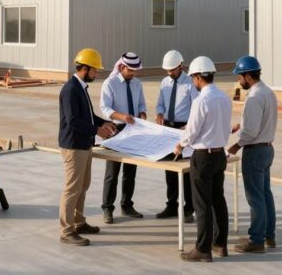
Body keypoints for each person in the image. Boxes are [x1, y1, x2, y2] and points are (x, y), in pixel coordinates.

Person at [174, 56, 232, 262]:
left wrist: (180, 144)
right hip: (219, 154)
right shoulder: (224, 98)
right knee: (218, 200)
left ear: (198, 77)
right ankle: (220, 244)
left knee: (202, 204)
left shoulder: (201, 101)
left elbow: (191, 132)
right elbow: (224, 127)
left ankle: (203, 249)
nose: (192, 82)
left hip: (203, 157)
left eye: (193, 78)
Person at [59, 48, 117, 246]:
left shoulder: (81, 88)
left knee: (83, 186)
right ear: (84, 68)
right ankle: (67, 231)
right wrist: (97, 131)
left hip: (84, 144)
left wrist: (104, 123)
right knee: (72, 188)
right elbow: (73, 121)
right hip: (74, 146)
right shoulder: (70, 89)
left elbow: (89, 116)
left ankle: (79, 222)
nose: (96, 73)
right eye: (94, 70)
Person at [227, 55, 278, 254]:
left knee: (255, 197)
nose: (239, 80)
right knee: (265, 194)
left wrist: (236, 146)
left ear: (248, 76)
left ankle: (256, 240)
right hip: (267, 149)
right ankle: (269, 236)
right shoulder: (268, 92)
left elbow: (251, 132)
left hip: (254, 152)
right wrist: (242, 123)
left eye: (240, 76)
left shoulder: (254, 97)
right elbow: (261, 120)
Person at [99, 51, 147, 224]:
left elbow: (141, 103)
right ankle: (107, 208)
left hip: (133, 129)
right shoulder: (110, 83)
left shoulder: (137, 84)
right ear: (121, 67)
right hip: (116, 130)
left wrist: (142, 113)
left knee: (130, 172)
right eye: (130, 70)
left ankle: (127, 205)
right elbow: (105, 108)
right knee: (112, 172)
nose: (133, 74)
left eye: (135, 71)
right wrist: (122, 117)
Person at [155, 49, 198, 222]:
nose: (169, 73)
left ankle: (189, 208)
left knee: (186, 171)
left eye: (172, 69)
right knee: (170, 170)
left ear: (181, 65)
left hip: (184, 128)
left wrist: (188, 127)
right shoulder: (165, 82)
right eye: (167, 70)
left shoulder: (190, 83)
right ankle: (171, 205)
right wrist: (159, 113)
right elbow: (160, 104)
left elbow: (197, 107)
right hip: (168, 128)